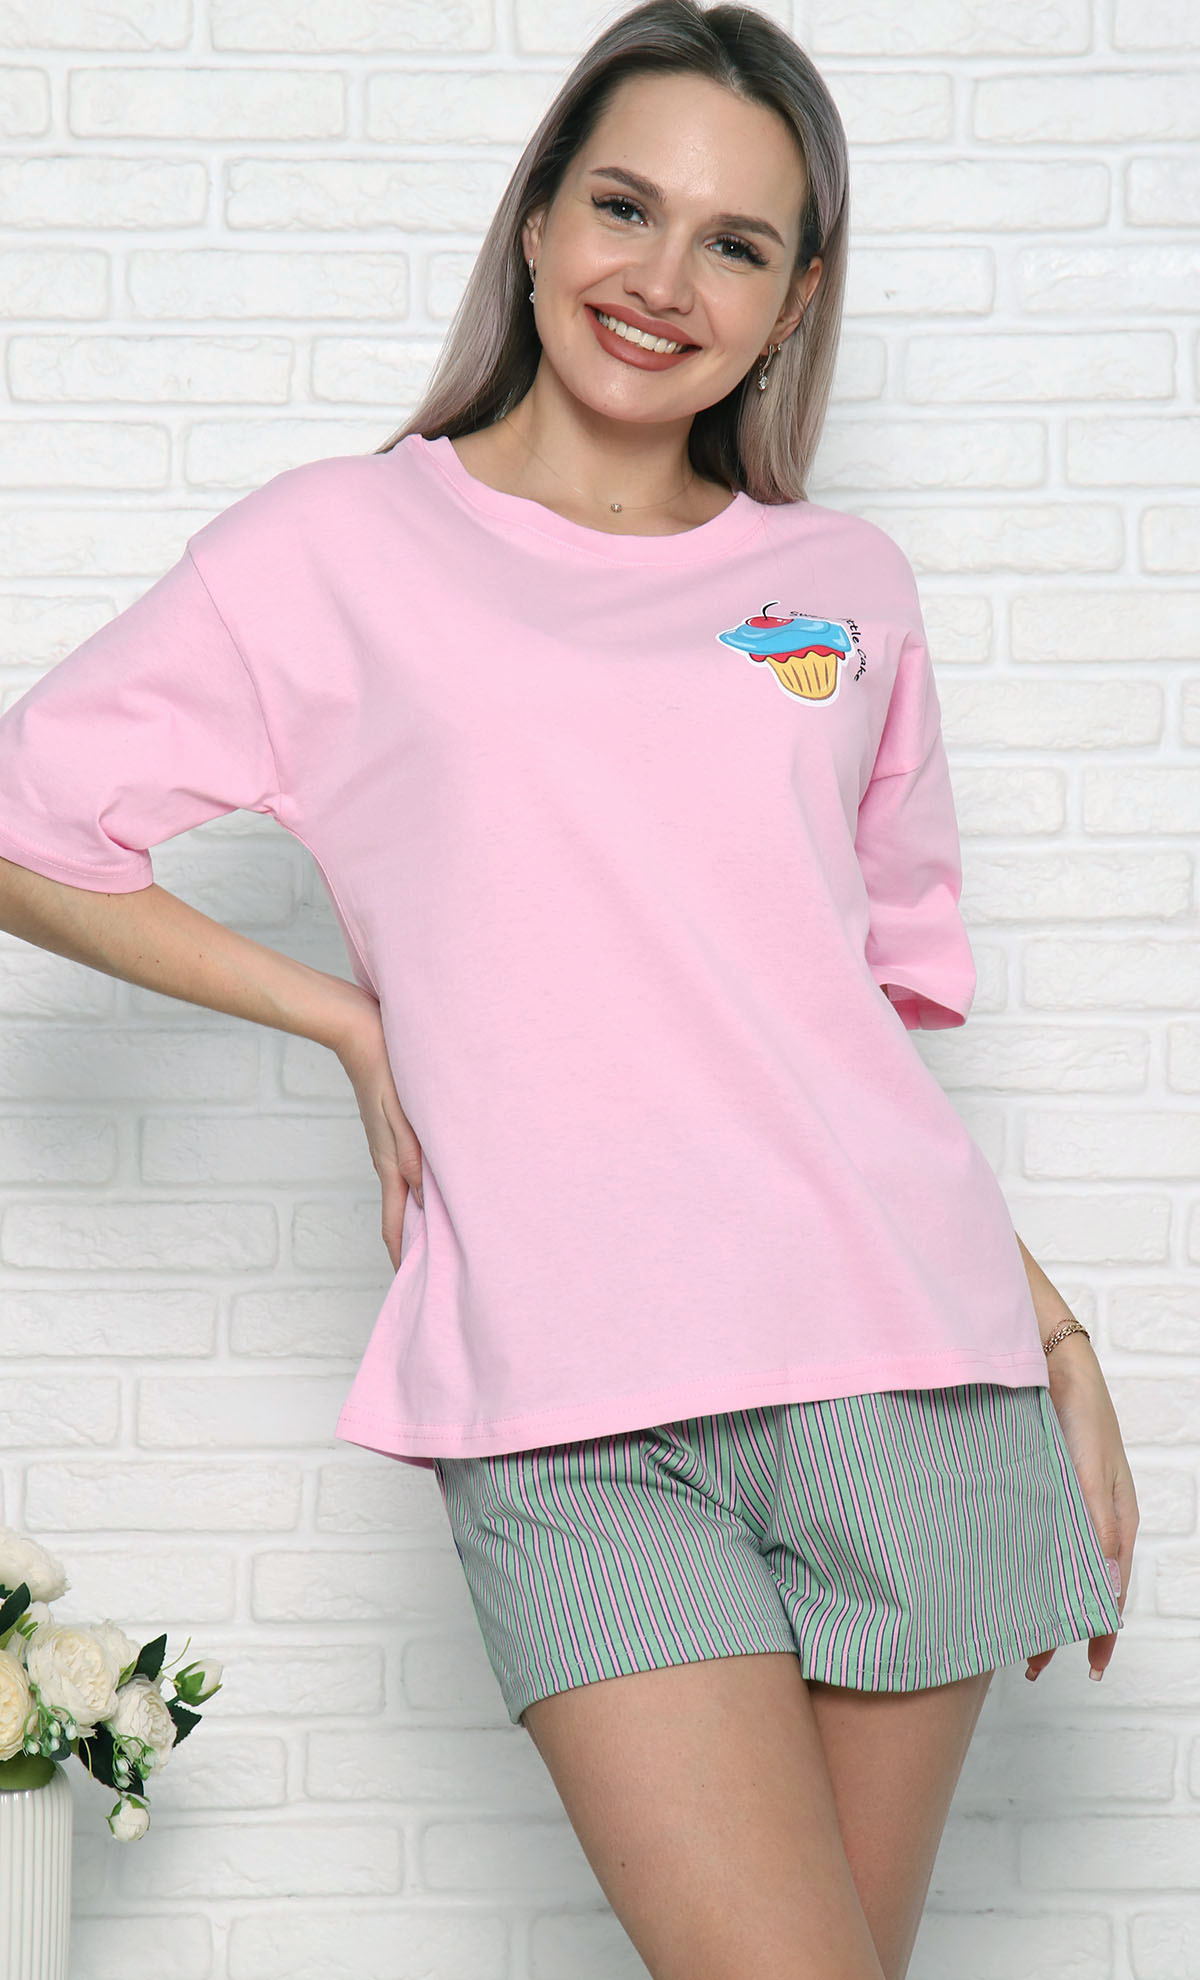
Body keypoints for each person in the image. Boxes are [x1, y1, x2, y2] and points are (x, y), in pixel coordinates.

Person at [0, 4, 1139, 1975]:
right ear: (534, 221)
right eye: (624, 207)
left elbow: (824, 1024)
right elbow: (29, 826)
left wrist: (1054, 1334)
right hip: (569, 1412)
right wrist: (352, 1020)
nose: (661, 278)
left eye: (735, 242)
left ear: (794, 304)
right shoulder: (338, 546)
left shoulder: (846, 588)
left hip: (911, 1383)